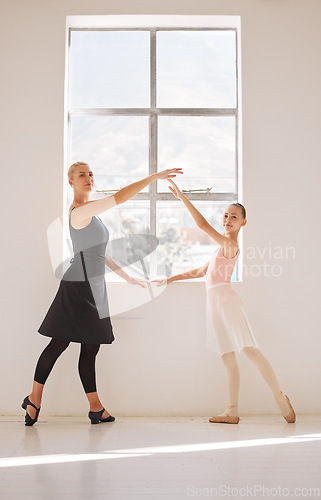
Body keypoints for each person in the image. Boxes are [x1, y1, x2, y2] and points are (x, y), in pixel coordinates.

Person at [22, 162, 183, 426]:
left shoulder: (93, 216)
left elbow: (102, 255)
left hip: (95, 286)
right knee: (60, 343)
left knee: (90, 347)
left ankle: (95, 407)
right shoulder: (79, 212)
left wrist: (129, 277)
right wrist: (154, 177)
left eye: (90, 174)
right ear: (71, 182)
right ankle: (34, 399)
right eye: (81, 174)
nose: (88, 178)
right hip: (78, 285)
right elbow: (119, 197)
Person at [153, 179, 296, 424]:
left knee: (250, 350)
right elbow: (201, 272)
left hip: (226, 300)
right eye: (226, 216)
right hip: (214, 304)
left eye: (234, 217)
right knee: (227, 356)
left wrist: (182, 198)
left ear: (243, 222)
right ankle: (232, 410)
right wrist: (170, 278)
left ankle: (281, 397)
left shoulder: (229, 244)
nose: (228, 220)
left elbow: (201, 224)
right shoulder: (219, 249)